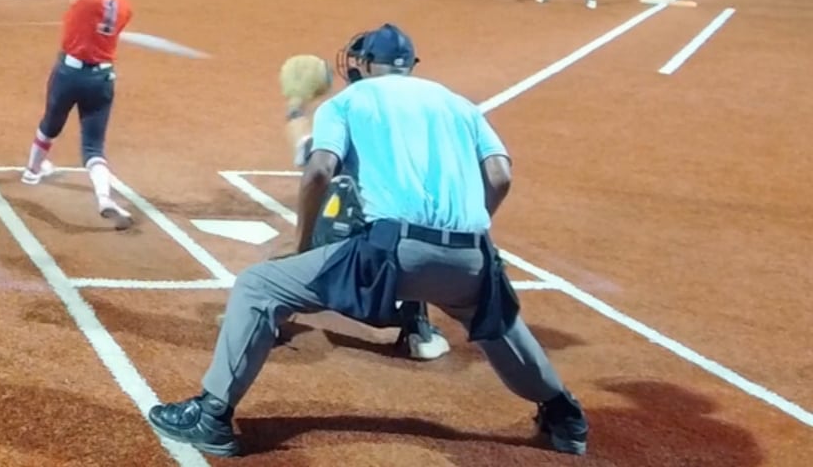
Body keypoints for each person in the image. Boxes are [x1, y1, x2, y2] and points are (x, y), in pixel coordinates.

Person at [147, 23, 589, 458]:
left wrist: (303, 243)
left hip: (391, 254)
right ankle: (563, 414)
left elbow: (318, 171)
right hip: (471, 255)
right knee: (500, 325)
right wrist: (469, 233)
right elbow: (500, 175)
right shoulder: (460, 105)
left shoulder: (349, 101)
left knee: (258, 286)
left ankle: (212, 415)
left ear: (364, 63)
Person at [18, 0, 137, 230]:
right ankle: (104, 198)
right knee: (93, 148)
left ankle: (32, 170)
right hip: (102, 79)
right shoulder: (126, 8)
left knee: (51, 123)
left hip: (68, 73)